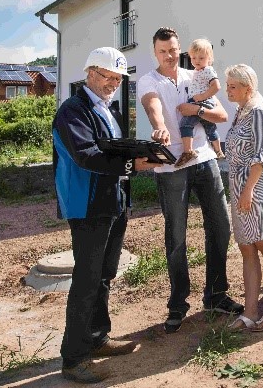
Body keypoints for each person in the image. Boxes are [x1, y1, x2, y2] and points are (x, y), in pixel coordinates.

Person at [53, 47, 156, 384]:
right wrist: (132, 164)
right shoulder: (73, 111)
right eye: (107, 76)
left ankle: (97, 338)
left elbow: (112, 150)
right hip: (88, 206)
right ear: (89, 73)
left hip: (112, 201)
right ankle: (74, 358)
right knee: (86, 279)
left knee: (103, 275)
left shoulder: (106, 109)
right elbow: (86, 156)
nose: (112, 82)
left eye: (117, 78)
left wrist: (139, 154)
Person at [137, 27, 243, 334]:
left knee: (221, 226)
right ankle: (178, 303)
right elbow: (153, 105)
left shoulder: (194, 74)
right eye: (162, 51)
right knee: (177, 236)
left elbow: (221, 114)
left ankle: (216, 295)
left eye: (172, 50)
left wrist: (195, 108)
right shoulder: (148, 80)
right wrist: (159, 126)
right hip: (171, 166)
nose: (169, 56)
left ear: (179, 49)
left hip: (204, 160)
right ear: (154, 53)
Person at [222, 64, 263, 332]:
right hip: (240, 188)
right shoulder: (240, 112)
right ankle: (249, 312)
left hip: (257, 187)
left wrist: (247, 190)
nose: (228, 91)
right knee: (246, 247)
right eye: (227, 86)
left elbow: (260, 155)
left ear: (248, 88)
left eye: (233, 87)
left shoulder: (258, 112)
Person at [174, 38, 225, 167]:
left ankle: (188, 152)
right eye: (194, 58)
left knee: (186, 125)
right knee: (210, 128)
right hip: (202, 101)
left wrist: (202, 96)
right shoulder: (197, 71)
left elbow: (216, 86)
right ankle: (218, 151)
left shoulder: (208, 70)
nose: (197, 61)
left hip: (201, 102)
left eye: (201, 58)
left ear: (209, 58)